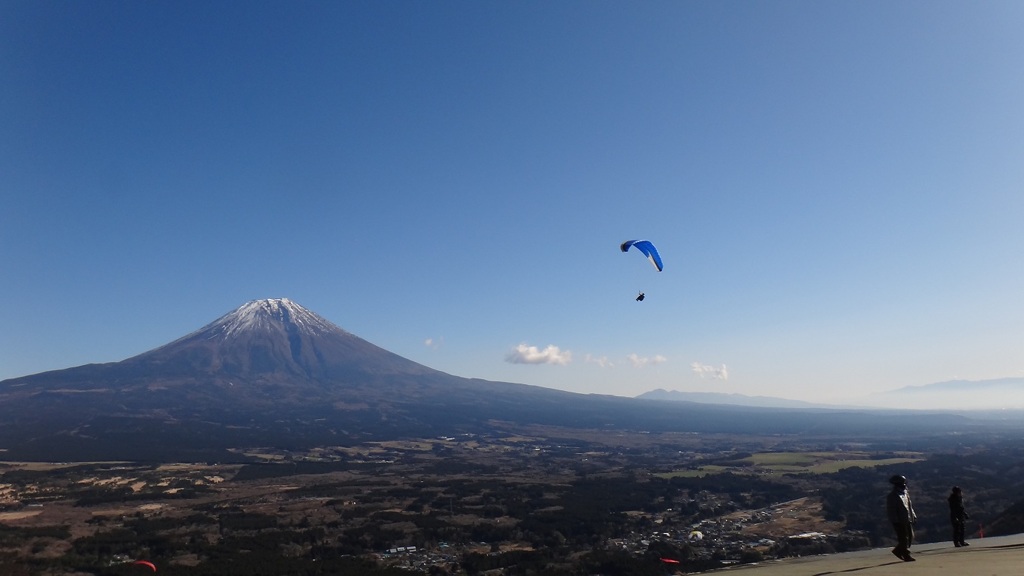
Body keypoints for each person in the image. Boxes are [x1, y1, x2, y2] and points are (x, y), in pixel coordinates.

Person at [886, 474, 917, 561]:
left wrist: (913, 515)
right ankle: (906, 554)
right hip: (899, 520)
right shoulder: (892, 496)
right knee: (903, 538)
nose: (904, 484)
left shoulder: (905, 493)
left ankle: (898, 551)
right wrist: (895, 521)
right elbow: (891, 510)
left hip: (907, 518)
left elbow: (909, 506)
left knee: (910, 536)